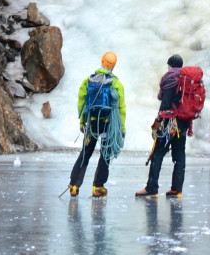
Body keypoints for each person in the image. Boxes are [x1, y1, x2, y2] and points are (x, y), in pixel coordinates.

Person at [69, 50, 126, 198]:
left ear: (102, 61)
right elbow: (121, 108)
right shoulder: (116, 83)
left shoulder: (88, 80)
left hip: (92, 123)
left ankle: (74, 185)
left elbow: (82, 102)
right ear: (113, 66)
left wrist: (82, 121)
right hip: (108, 123)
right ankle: (98, 186)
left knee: (85, 153)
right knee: (105, 154)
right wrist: (122, 129)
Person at [137, 53, 193, 200]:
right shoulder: (187, 79)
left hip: (170, 122)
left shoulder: (171, 78)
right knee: (179, 155)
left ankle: (151, 188)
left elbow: (165, 102)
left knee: (158, 154)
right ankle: (176, 189)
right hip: (183, 122)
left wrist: (159, 119)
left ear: (170, 65)